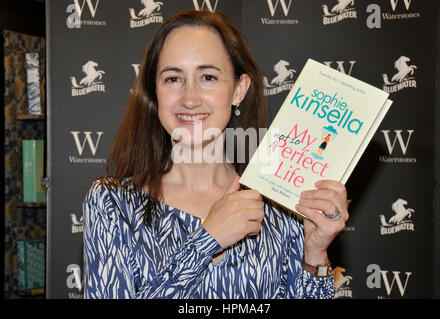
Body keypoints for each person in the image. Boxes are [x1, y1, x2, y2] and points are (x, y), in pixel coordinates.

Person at [83, 9, 348, 299]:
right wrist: (206, 241)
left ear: (238, 89)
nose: (190, 99)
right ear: (154, 90)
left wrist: (315, 253)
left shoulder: (280, 203)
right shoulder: (112, 203)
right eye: (173, 79)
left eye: (207, 76)